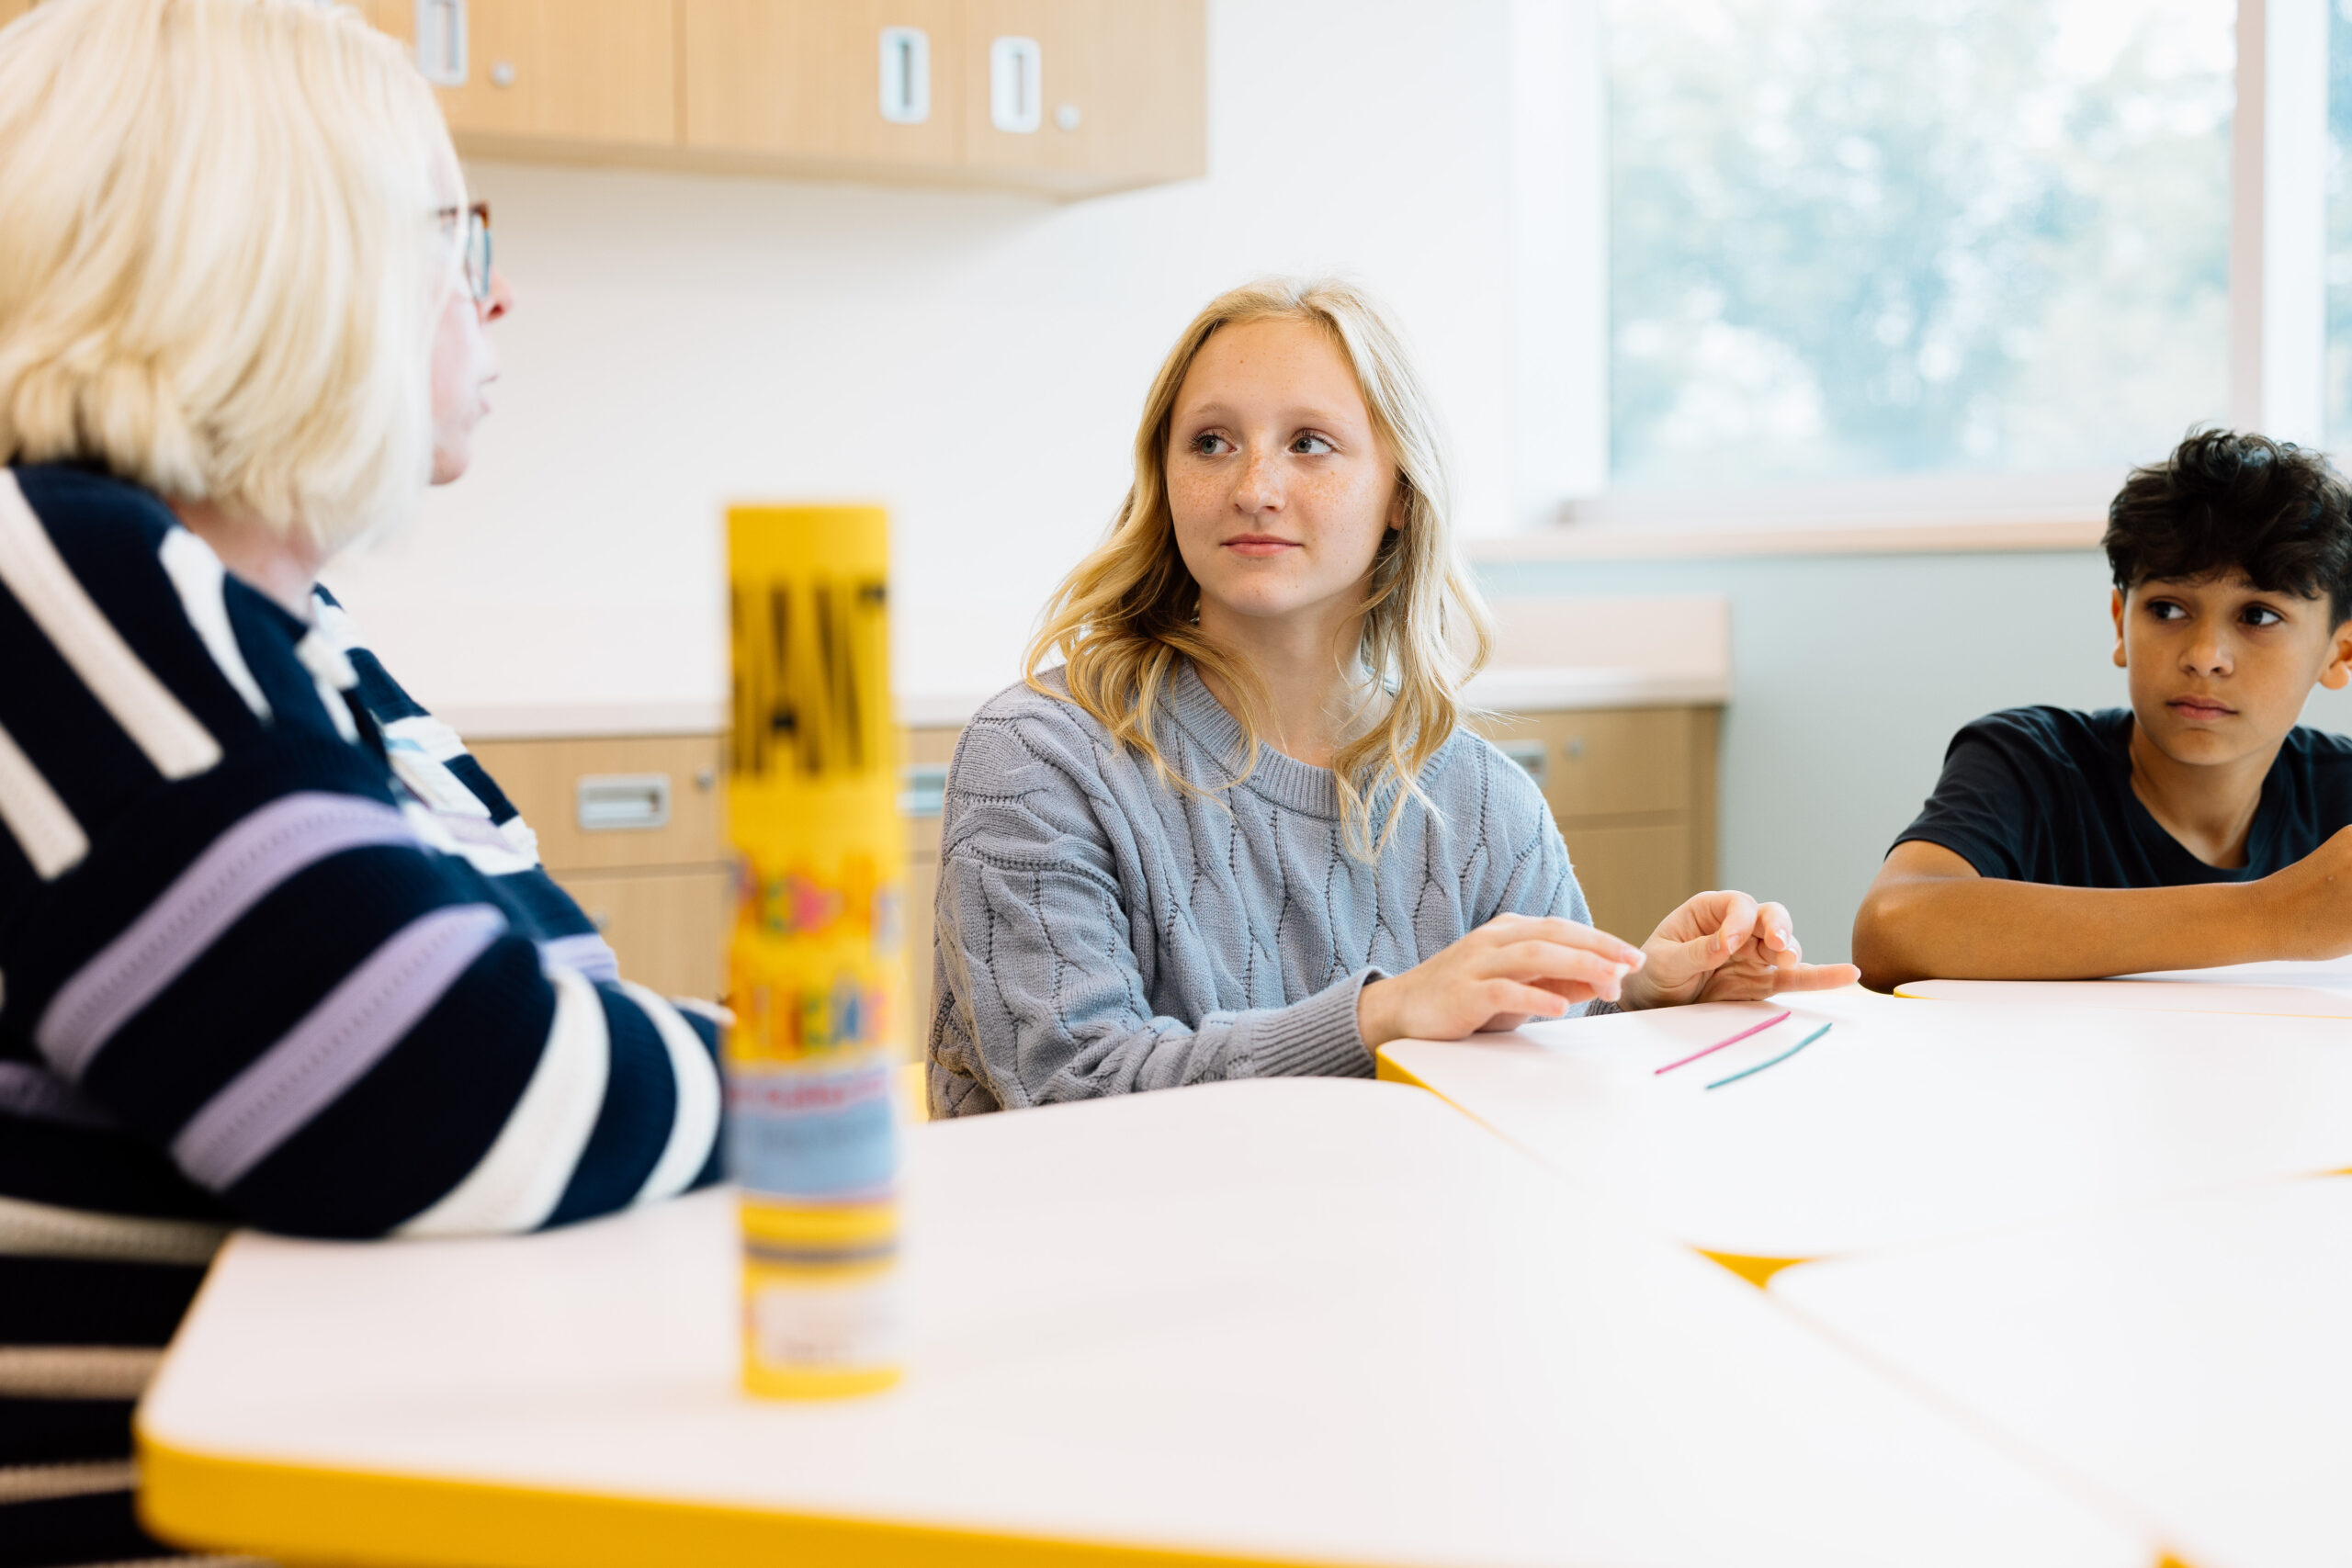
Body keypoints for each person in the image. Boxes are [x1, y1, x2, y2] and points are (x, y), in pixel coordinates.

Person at [0, 4, 721, 1561]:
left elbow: (538, 1030)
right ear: (282, 262)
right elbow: (440, 1088)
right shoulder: (45, 565)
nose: (500, 290)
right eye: (458, 243)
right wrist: (801, 1088)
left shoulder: (295, 636)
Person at [927, 276, 1853, 1117]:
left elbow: (1541, 1083)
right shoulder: (1039, 756)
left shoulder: (1484, 801)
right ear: (1165, 480)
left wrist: (1644, 997)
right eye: (1210, 443)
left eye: (1310, 444)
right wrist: (1381, 1015)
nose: (1253, 487)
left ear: (1399, 493)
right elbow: (1069, 1088)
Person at [1853, 428, 2352, 989]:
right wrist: (2275, 915)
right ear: (2121, 623)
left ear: (2339, 652)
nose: (2205, 657)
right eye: (2167, 610)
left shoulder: (2341, 790)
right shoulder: (2028, 760)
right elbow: (1892, 929)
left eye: (2258, 616)